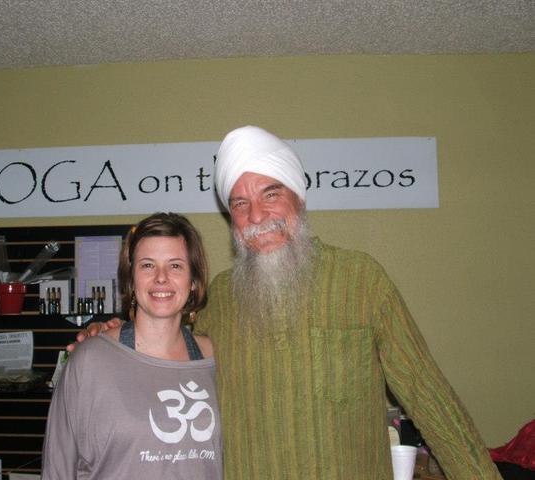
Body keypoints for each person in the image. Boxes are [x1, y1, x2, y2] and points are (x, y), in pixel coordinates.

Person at [73, 126, 501, 479]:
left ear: (298, 195)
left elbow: (430, 398)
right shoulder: (221, 299)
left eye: (271, 194)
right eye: (240, 204)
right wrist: (113, 338)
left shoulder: (360, 280)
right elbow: (167, 353)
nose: (257, 216)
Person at [44, 213, 222, 479]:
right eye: (148, 265)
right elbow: (58, 469)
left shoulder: (215, 360)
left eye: (175, 266)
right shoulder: (91, 360)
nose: (161, 278)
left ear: (193, 281)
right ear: (131, 278)